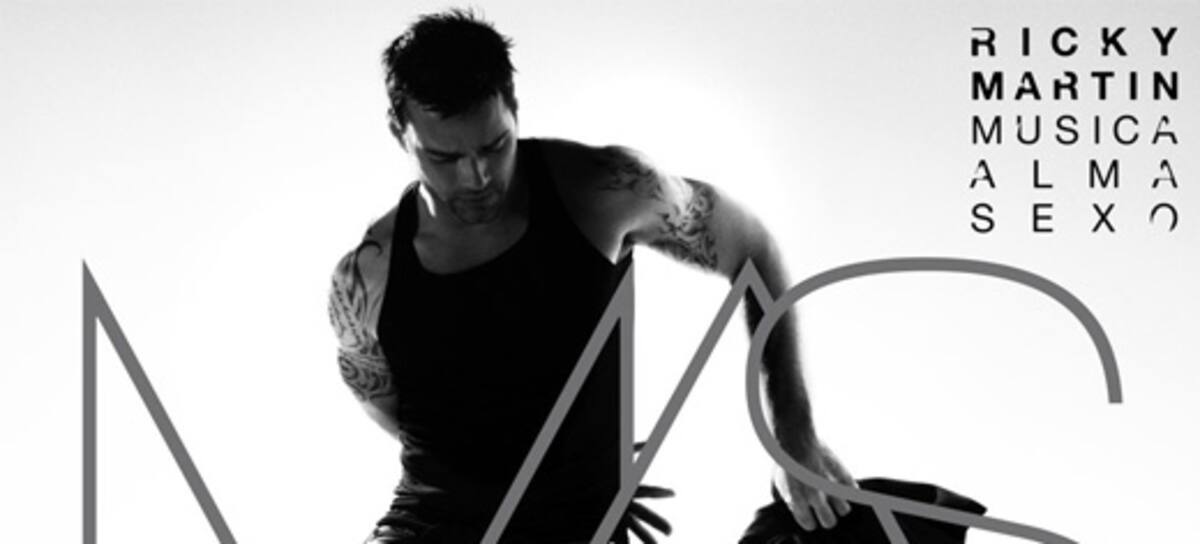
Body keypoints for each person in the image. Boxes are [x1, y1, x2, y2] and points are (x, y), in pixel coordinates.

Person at [327, 9, 854, 543]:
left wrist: (792, 432)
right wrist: (544, 472)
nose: (477, 176)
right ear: (400, 133)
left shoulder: (604, 192)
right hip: (428, 528)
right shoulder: (367, 279)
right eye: (444, 157)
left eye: (494, 145)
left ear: (514, 107)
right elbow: (389, 405)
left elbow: (751, 248)